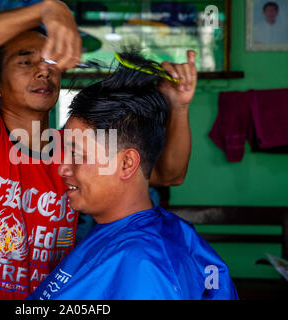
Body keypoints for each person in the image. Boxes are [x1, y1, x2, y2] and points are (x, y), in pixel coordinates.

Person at [0, 0, 196, 300]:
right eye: (26, 62)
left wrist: (178, 107)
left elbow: (170, 174)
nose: (43, 71)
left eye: (50, 62)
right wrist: (48, 9)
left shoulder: (74, 150)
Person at [28, 52, 238, 300]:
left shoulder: (144, 265)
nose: (63, 168)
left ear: (127, 163)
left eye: (77, 156)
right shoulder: (123, 241)